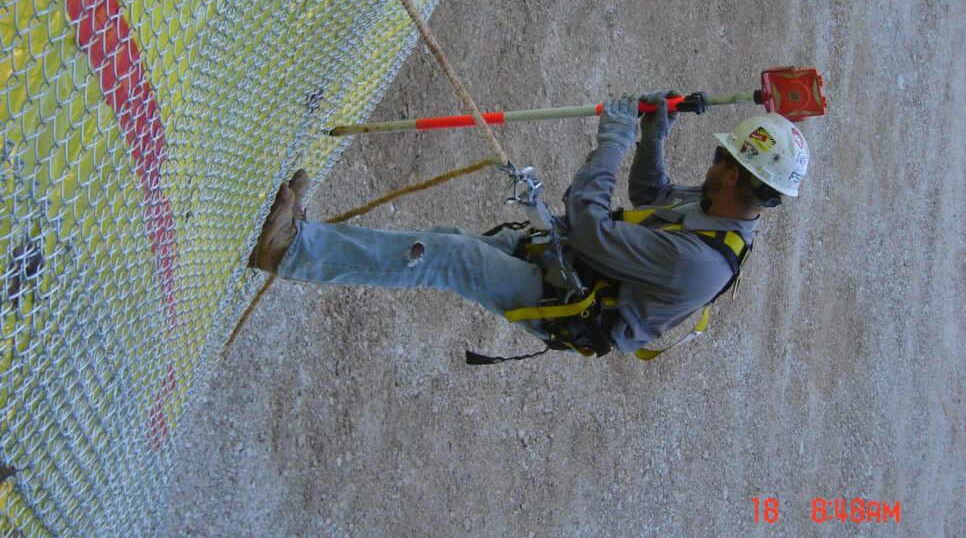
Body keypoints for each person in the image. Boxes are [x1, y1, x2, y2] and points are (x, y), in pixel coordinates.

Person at [248, 93, 810, 356]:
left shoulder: (698, 263)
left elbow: (594, 229)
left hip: (573, 302)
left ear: (736, 177)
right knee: (445, 243)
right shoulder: (720, 209)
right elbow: (652, 197)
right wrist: (653, 137)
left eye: (720, 160)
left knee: (450, 260)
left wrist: (612, 142)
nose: (711, 165)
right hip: (570, 267)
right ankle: (304, 243)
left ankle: (290, 248)